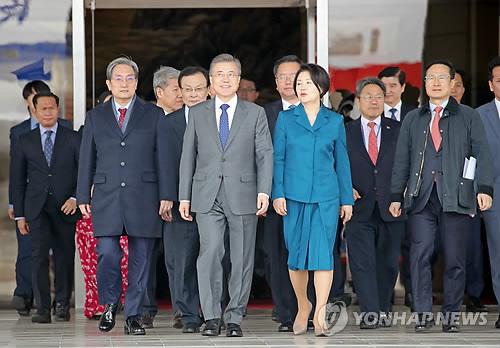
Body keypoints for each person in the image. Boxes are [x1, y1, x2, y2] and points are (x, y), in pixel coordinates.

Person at [390, 60, 494, 333]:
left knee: (456, 259)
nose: (435, 82)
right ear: (424, 84)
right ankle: (423, 314)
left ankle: (450, 315)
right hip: (421, 197)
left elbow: (482, 154)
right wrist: (395, 196)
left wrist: (483, 189)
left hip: (456, 197)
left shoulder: (468, 116)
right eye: (430, 78)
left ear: (451, 84)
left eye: (441, 78)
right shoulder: (413, 117)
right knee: (419, 255)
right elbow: (402, 159)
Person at [178, 53, 273, 337]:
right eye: (220, 74)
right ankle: (211, 316)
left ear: (238, 79)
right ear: (211, 81)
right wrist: (185, 196)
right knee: (211, 252)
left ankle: (234, 317)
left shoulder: (255, 113)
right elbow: (187, 157)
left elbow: (265, 155)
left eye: (231, 74)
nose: (225, 79)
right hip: (206, 194)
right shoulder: (197, 112)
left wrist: (264, 191)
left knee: (242, 257)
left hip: (244, 192)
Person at [77, 57, 170, 335]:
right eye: (118, 78)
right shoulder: (95, 116)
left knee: (141, 257)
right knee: (106, 252)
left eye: (129, 78)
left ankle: (133, 315)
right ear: (108, 83)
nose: (124, 83)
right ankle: (109, 304)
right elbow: (86, 159)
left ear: (137, 83)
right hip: (106, 196)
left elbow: (163, 158)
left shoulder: (153, 114)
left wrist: (167, 195)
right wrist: (82, 193)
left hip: (144, 194)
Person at [272, 63, 353, 336]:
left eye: (307, 83)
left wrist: (346, 200)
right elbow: (278, 159)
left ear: (321, 88)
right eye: (299, 83)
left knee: (322, 256)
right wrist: (278, 193)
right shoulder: (286, 119)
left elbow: (342, 163)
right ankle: (302, 305)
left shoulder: (335, 121)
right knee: (296, 256)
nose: (301, 87)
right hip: (293, 197)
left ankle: (320, 312)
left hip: (326, 198)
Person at [11, 91, 81, 323]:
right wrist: (20, 215)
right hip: (36, 208)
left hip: (66, 207)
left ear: (58, 109)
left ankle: (62, 304)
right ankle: (42, 307)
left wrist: (75, 198)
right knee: (38, 256)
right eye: (43, 108)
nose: (48, 112)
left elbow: (83, 172)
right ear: (35, 110)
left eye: (52, 108)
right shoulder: (25, 140)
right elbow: (17, 179)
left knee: (64, 256)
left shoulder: (72, 138)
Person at [345, 77, 405, 329]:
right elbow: (333, 164)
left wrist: (399, 195)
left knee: (388, 263)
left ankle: (382, 309)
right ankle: (370, 314)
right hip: (358, 207)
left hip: (392, 206)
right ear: (358, 100)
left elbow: (407, 166)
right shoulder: (345, 130)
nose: (373, 101)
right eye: (368, 96)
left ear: (385, 100)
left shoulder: (399, 129)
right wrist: (344, 188)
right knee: (362, 263)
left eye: (378, 96)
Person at [159, 66, 210, 334]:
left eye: (197, 89)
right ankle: (189, 314)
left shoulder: (223, 119)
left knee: (216, 258)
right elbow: (164, 163)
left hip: (216, 202)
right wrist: (169, 197)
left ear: (208, 90)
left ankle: (213, 311)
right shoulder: (169, 122)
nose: (192, 94)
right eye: (185, 89)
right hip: (180, 204)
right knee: (182, 260)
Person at [75, 90, 129, 320]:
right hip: (97, 203)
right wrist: (81, 197)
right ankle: (100, 304)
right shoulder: (89, 130)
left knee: (126, 257)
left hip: (127, 202)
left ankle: (123, 302)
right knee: (97, 257)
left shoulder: (134, 131)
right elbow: (80, 169)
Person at [262, 54, 302, 332]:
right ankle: (286, 313)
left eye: (294, 76)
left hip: (310, 197)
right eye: (283, 77)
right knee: (276, 256)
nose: (289, 81)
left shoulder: (320, 113)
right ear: (276, 83)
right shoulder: (262, 113)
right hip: (274, 196)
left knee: (308, 255)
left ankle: (309, 310)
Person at [141, 65, 183, 330]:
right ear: (160, 91)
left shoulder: (189, 118)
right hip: (146, 198)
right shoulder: (143, 117)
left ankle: (182, 309)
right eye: (176, 89)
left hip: (179, 199)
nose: (181, 94)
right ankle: (145, 309)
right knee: (144, 257)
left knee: (177, 257)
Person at [378, 66, 416, 309]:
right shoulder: (368, 114)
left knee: (414, 246)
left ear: (403, 87)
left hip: (410, 193)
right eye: (384, 86)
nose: (388, 90)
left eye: (393, 85)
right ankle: (384, 297)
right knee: (385, 250)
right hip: (379, 194)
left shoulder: (415, 114)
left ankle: (414, 294)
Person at [476, 56, 500, 329]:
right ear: (491, 85)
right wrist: (476, 192)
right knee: (498, 256)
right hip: (495, 194)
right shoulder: (479, 116)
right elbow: (470, 158)